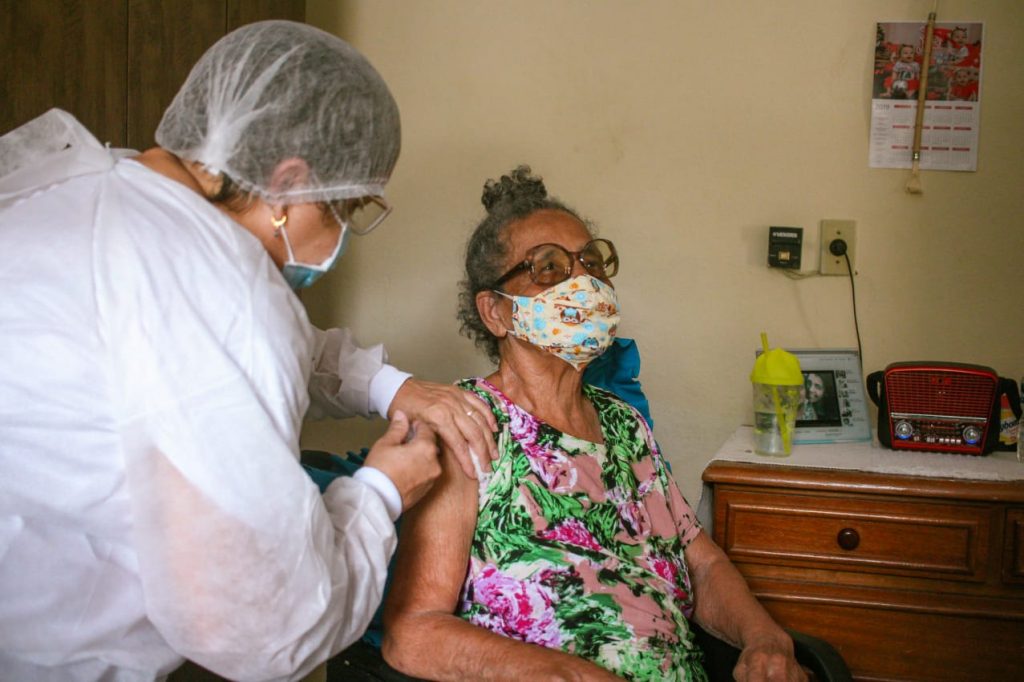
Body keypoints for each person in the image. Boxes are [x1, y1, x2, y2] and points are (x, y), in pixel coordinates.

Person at [0, 21, 497, 682]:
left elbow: (227, 350)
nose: (342, 231)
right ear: (289, 183)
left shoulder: (88, 186)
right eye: (345, 207)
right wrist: (380, 491)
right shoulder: (223, 292)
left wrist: (387, 385)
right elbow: (263, 629)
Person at [381, 166, 806, 681]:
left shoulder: (624, 424)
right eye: (550, 267)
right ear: (496, 312)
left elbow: (704, 563)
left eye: (592, 262)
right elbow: (414, 635)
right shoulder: (465, 424)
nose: (584, 281)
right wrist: (568, 675)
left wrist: (765, 638)